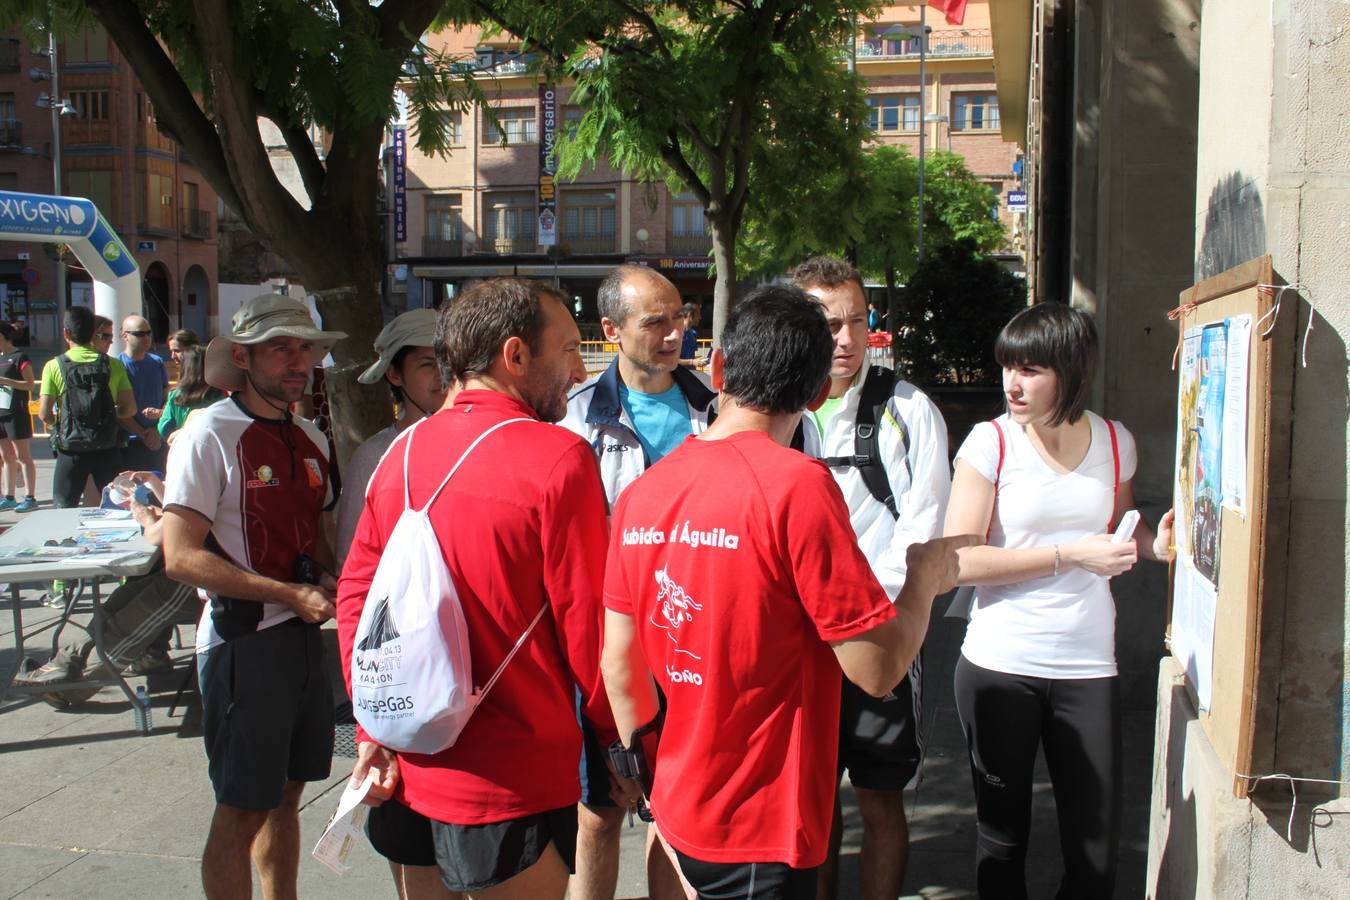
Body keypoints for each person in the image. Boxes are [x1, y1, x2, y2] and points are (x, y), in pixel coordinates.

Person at [601, 284, 971, 899]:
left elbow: (619, 663)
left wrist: (649, 775)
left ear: (718, 368)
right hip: (761, 822)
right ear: (819, 390)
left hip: (676, 805)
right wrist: (924, 578)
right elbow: (876, 667)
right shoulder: (799, 486)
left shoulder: (645, 491)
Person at [339, 277, 632, 900]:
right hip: (507, 774)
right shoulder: (558, 458)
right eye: (570, 349)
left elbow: (356, 600)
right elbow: (591, 629)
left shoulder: (400, 453)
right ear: (516, 356)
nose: (580, 370)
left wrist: (372, 726)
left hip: (404, 759)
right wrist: (624, 739)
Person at [943, 303, 1174, 898]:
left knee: (1095, 851)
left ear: (1070, 371)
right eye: (1007, 368)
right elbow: (959, 561)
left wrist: (1154, 544)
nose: (1012, 384)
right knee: (1003, 840)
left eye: (1031, 370)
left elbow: (1120, 525)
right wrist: (1068, 555)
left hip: (1088, 665)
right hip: (1000, 664)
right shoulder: (989, 444)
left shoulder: (1115, 441)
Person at [160, 293, 346, 900]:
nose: (298, 361)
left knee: (288, 796)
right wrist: (287, 593)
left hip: (300, 640)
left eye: (305, 348)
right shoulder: (206, 432)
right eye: (280, 348)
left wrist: (326, 577)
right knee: (240, 809)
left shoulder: (312, 434)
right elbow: (180, 556)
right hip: (242, 642)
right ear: (243, 356)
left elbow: (313, 536)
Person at [791, 257, 951, 900]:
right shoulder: (782, 408)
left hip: (880, 630)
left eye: (858, 319)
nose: (847, 338)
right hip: (800, 642)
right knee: (814, 801)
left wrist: (866, 612)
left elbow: (924, 528)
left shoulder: (908, 409)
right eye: (830, 324)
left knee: (883, 798)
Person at [561, 264, 714, 900]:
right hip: (609, 643)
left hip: (693, 638)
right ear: (611, 330)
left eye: (680, 317)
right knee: (599, 812)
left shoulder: (715, 408)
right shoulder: (575, 421)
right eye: (655, 322)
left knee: (678, 809)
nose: (674, 333)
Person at [15, 471, 196, 704]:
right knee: (124, 595)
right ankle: (64, 662)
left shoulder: (204, 455)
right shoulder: (206, 452)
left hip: (202, 578)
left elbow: (164, 531)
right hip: (191, 567)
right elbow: (182, 510)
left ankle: (70, 691)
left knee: (134, 620)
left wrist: (147, 518)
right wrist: (154, 491)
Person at [335, 308, 448, 570]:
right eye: (427, 364)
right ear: (394, 374)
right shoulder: (375, 456)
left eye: (448, 361)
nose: (442, 373)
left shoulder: (477, 444)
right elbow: (350, 561)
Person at [39, 306, 146, 509]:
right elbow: (129, 409)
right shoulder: (113, 365)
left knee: (63, 507)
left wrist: (59, 422)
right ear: (93, 334)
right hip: (106, 447)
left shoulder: (54, 366)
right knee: (117, 505)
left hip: (71, 450)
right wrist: (106, 413)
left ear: (65, 333)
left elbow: (44, 414)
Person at [119, 314, 168, 471]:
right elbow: (118, 409)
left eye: (149, 333)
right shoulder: (117, 366)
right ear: (125, 336)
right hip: (130, 441)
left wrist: (157, 428)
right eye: (140, 334)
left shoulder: (157, 362)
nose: (146, 337)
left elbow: (167, 398)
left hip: (158, 438)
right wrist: (143, 433)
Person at [0, 321, 39, 511]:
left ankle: (30, 497)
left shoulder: (18, 356)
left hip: (16, 412)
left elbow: (30, 384)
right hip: (1, 412)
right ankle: (9, 496)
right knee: (6, 456)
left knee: (23, 455)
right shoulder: (0, 357)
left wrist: (6, 381)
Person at [157, 346, 225, 443]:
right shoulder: (221, 393)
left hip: (186, 446)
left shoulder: (175, 394)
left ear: (185, 367)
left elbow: (163, 429)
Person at [677, 302, 702, 368]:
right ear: (690, 315)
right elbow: (671, 361)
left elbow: (692, 357)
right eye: (698, 314)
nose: (700, 318)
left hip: (692, 374)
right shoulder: (676, 334)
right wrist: (692, 362)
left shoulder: (693, 333)